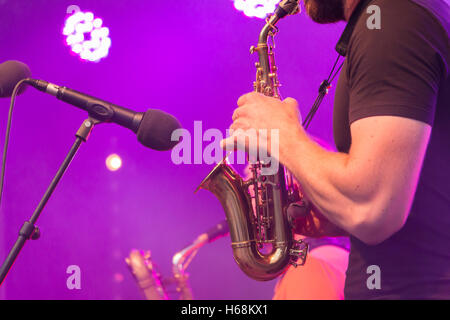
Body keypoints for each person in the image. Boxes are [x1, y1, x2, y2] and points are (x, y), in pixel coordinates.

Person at [223, 0, 450, 299]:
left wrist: (283, 137)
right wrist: (331, 204)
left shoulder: (391, 18)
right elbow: (422, 205)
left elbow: (374, 209)